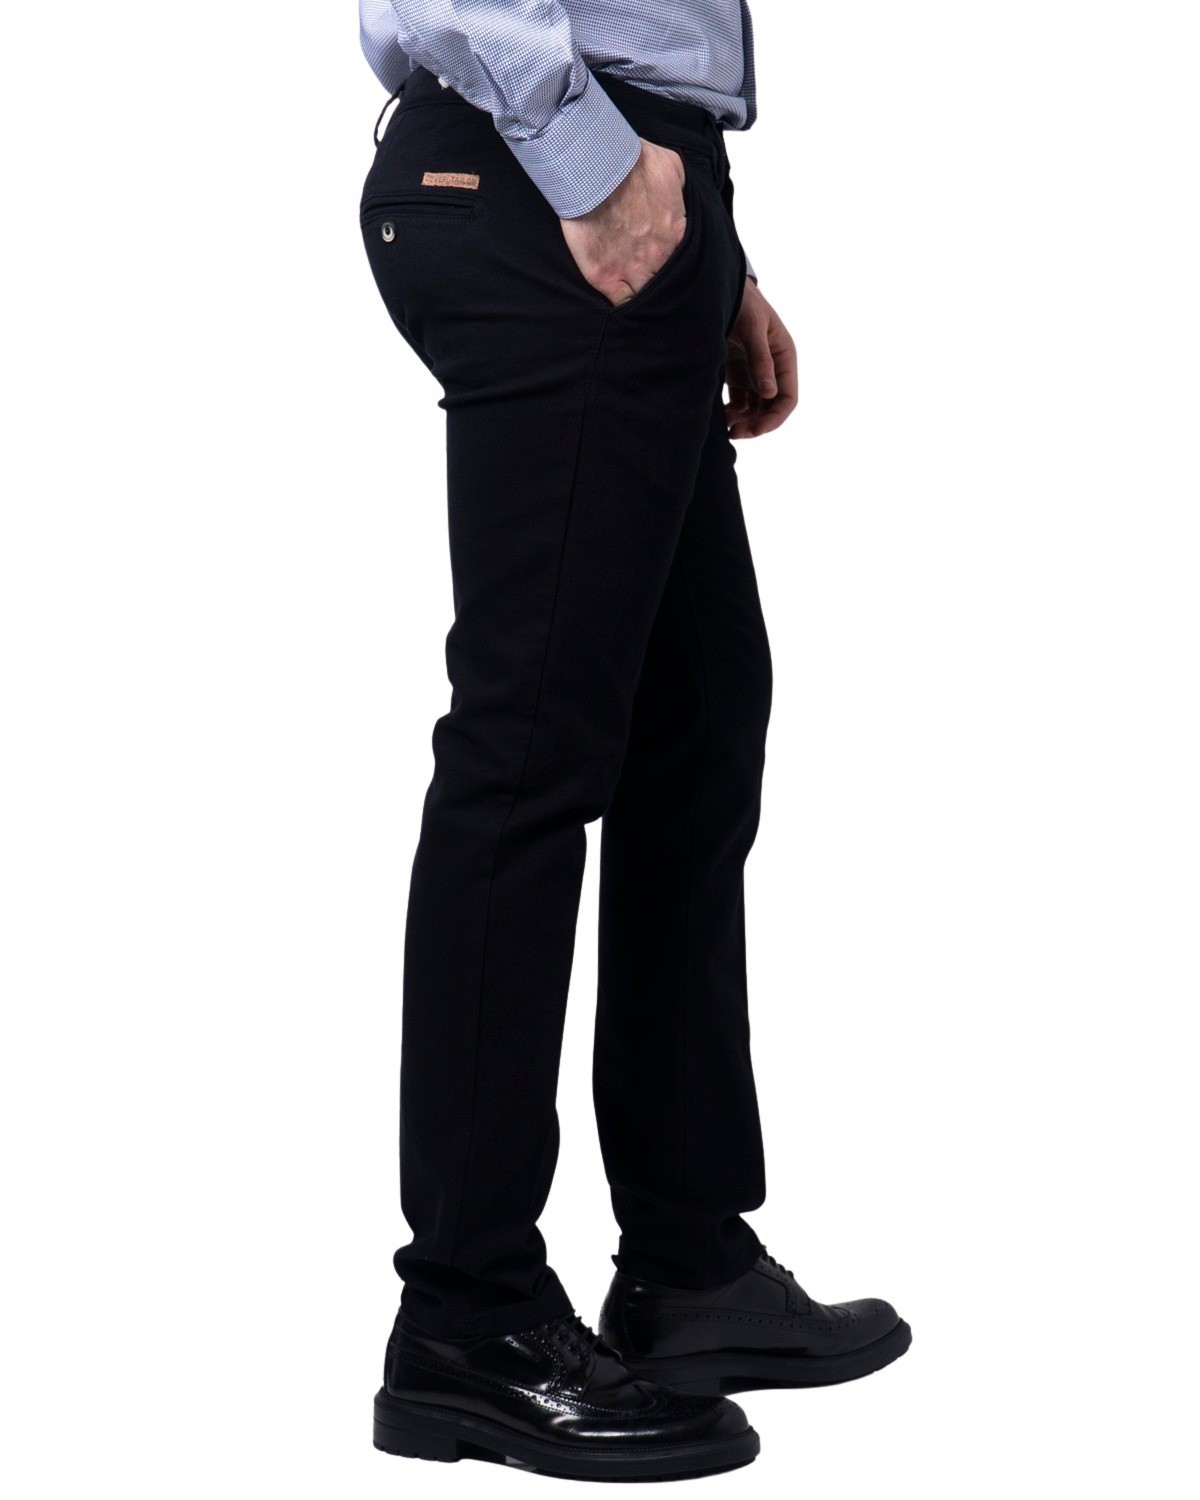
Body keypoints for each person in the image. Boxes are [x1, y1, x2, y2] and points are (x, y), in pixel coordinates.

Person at [357, 1, 909, 1478]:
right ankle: (466, 1314)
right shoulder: (577, 154)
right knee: (529, 751)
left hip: (620, 184)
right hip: (549, 168)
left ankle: (687, 1263)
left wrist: (716, 256)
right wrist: (600, 166)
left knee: (697, 717)